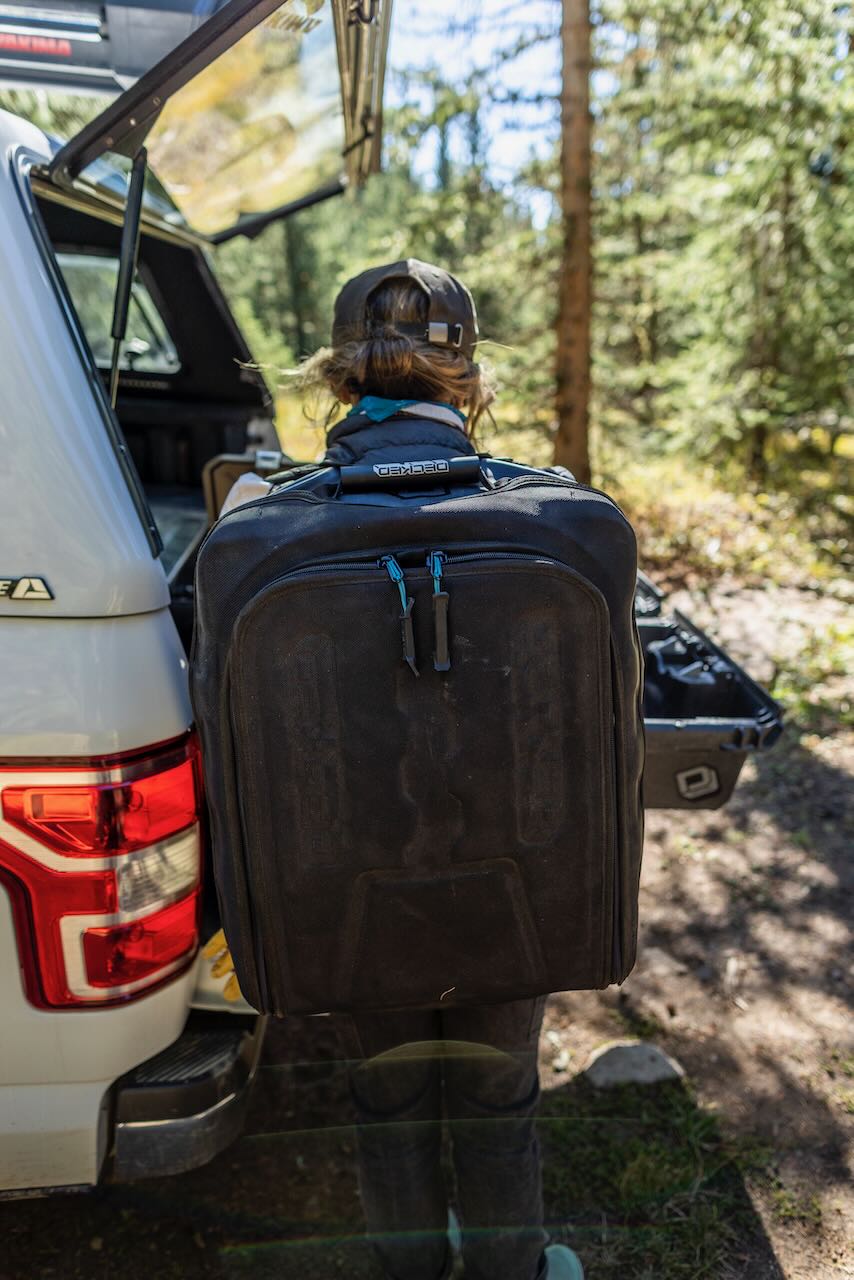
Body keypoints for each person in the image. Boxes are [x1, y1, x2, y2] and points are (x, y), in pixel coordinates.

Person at [211, 259, 585, 1280]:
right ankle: (514, 1268)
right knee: (500, 1092)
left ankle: (406, 1264)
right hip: (518, 893)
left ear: (339, 379)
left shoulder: (256, 525)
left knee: (383, 1094)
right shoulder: (561, 516)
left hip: (348, 893)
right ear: (465, 381)